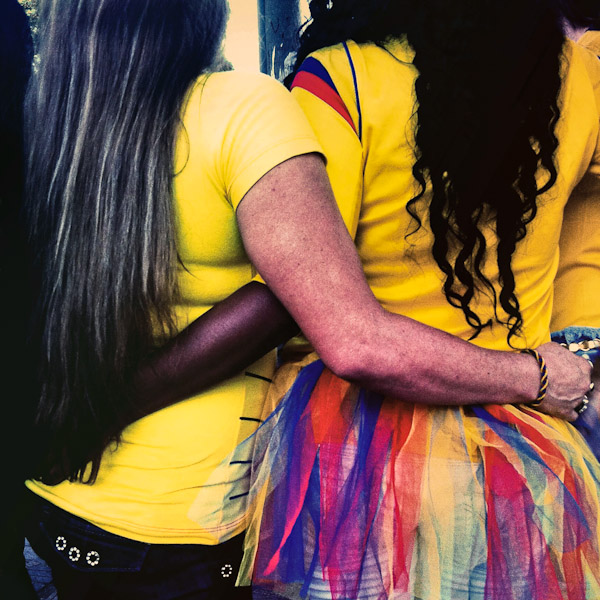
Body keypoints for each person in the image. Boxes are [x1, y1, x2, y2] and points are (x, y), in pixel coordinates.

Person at [22, 1, 592, 599]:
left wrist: (69, 412)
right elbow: (320, 310)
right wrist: (551, 365)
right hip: (191, 514)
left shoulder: (46, 119)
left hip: (63, 493)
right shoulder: (246, 106)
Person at [231, 1, 600, 598]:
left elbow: (296, 286)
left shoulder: (338, 79)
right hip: (523, 454)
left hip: (348, 460)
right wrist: (581, 347)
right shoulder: (581, 77)